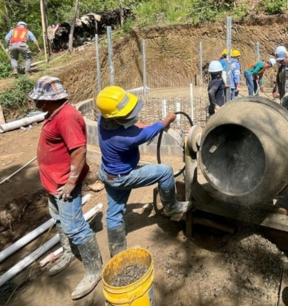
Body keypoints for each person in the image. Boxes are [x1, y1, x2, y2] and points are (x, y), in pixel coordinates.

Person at [28, 76, 102, 300]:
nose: (36, 102)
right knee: (60, 220)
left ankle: (94, 269)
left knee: (75, 227)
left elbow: (79, 152)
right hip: (54, 184)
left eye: (38, 99)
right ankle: (69, 252)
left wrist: (70, 183)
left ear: (48, 100)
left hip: (64, 185)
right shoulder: (55, 114)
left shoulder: (68, 117)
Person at [96, 86, 192, 257]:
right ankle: (172, 206)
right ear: (117, 118)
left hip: (108, 174)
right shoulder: (128, 138)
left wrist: (144, 124)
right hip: (124, 177)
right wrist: (168, 118)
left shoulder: (103, 119)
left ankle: (117, 254)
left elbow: (135, 126)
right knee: (165, 171)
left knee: (114, 212)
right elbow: (153, 130)